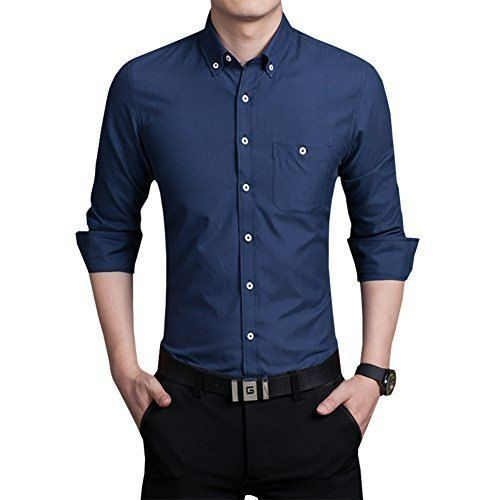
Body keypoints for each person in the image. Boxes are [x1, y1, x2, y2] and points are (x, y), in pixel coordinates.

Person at [76, 1, 418, 498]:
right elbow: (110, 230)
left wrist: (372, 374)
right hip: (185, 417)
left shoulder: (352, 84)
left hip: (315, 415)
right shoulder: (141, 86)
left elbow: (380, 236)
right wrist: (123, 371)